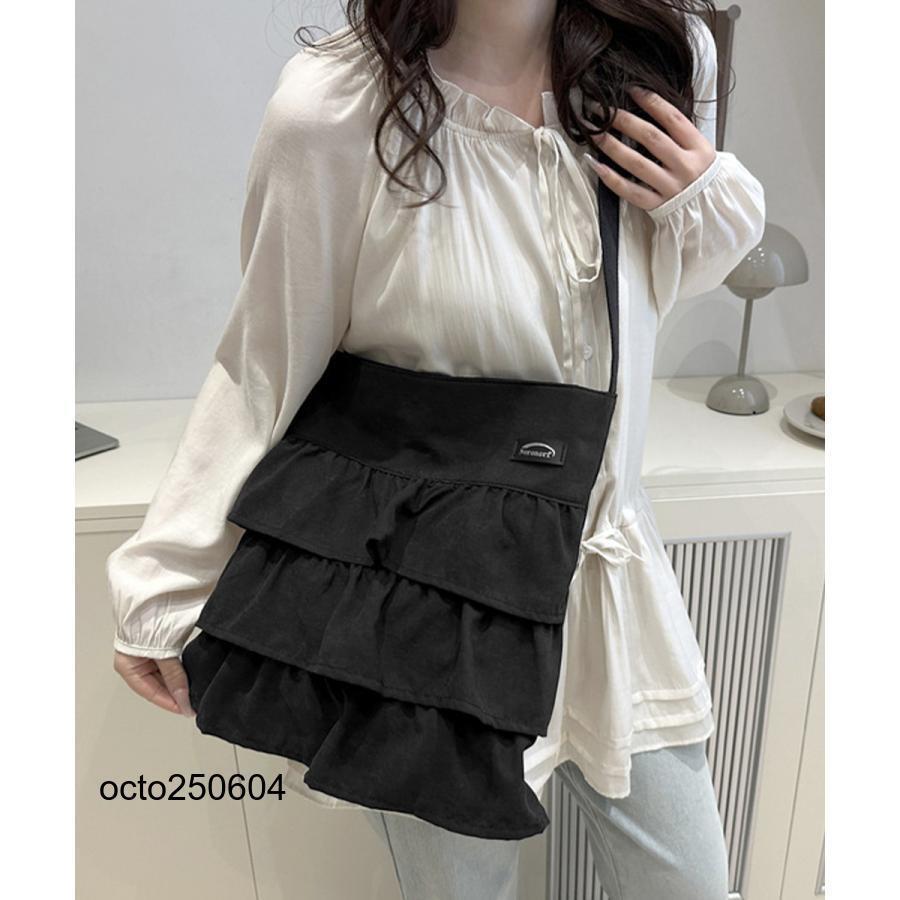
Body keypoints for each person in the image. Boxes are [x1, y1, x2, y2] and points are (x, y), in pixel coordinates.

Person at [107, 1, 765, 897]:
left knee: (690, 883)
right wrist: (166, 572)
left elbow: (666, 282)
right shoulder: (335, 105)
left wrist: (705, 196)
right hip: (431, 588)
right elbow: (265, 358)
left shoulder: (657, 55)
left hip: (607, 570)